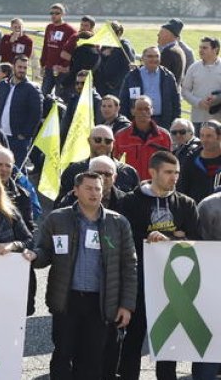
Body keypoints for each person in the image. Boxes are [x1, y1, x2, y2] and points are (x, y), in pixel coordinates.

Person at [25, 171, 137, 380]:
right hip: (67, 300)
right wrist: (33, 256)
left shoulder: (118, 223)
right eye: (89, 188)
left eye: (98, 188)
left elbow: (129, 266)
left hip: (101, 303)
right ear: (76, 191)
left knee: (93, 359)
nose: (94, 193)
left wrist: (127, 305)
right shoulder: (58, 219)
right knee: (62, 356)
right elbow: (44, 252)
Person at [118, 150, 200, 380]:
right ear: (152, 172)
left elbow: (196, 242)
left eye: (176, 173)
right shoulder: (129, 201)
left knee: (169, 342)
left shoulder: (186, 204)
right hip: (138, 281)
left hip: (173, 284)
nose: (174, 177)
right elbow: (124, 239)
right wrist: (153, 237)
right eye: (168, 172)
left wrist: (172, 240)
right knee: (133, 339)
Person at [57, 125, 141, 200]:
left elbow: (136, 204)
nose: (103, 144)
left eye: (108, 141)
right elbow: (62, 204)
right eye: (98, 140)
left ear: (113, 143)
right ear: (89, 141)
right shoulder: (73, 171)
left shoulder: (128, 172)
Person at [0, 54, 43, 163]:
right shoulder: (2, 85)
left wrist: (25, 135)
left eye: (25, 68)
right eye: (19, 67)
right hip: (0, 135)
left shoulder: (32, 89)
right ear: (13, 67)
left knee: (17, 171)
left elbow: (36, 115)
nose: (22, 70)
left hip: (18, 139)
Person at [119, 47, 181, 130]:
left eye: (156, 56)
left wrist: (176, 122)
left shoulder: (168, 76)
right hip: (138, 122)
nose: (154, 59)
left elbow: (175, 102)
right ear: (143, 58)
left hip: (162, 123)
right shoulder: (132, 76)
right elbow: (123, 101)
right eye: (150, 56)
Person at [113, 96, 173, 176]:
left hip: (155, 185)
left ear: (152, 110)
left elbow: (170, 165)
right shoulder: (120, 136)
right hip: (130, 185)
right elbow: (114, 164)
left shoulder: (164, 136)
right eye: (139, 109)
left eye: (147, 109)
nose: (143, 112)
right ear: (133, 111)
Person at [182, 36, 221, 128]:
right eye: (200, 47)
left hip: (219, 119)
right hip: (198, 119)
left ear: (215, 50)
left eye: (204, 48)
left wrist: (217, 98)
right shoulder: (193, 68)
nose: (200, 50)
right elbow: (185, 91)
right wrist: (198, 102)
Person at [40, 3, 77, 95]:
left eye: (57, 13)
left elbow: (72, 51)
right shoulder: (49, 27)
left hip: (61, 69)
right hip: (48, 68)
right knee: (43, 94)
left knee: (60, 97)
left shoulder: (70, 30)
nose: (54, 15)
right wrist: (42, 64)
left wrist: (64, 66)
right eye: (51, 13)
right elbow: (45, 46)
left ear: (62, 14)